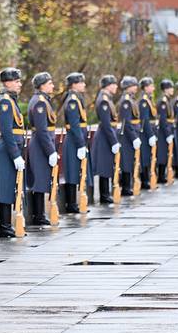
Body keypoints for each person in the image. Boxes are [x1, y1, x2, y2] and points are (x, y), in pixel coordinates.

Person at [0, 67, 25, 237]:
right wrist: (16, 155)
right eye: (17, 81)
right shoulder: (5, 101)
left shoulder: (11, 100)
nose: (20, 84)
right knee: (5, 189)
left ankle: (7, 226)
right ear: (8, 82)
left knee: (11, 188)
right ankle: (4, 227)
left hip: (12, 149)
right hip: (7, 150)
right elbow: (7, 131)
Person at [26, 72, 58, 224]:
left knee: (41, 178)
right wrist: (50, 150)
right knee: (39, 180)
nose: (52, 86)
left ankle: (39, 214)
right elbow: (42, 129)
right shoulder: (39, 102)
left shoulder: (42, 100)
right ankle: (38, 215)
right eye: (50, 83)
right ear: (43, 85)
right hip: (40, 144)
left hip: (42, 143)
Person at [62, 72, 90, 213]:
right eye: (81, 82)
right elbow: (74, 124)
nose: (84, 85)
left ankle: (74, 203)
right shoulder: (73, 100)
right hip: (74, 140)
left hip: (77, 139)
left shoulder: (76, 98)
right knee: (72, 172)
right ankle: (71, 204)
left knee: (78, 171)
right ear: (74, 84)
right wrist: (80, 144)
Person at [91, 74, 120, 204]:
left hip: (107, 134)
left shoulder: (107, 98)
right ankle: (104, 194)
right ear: (108, 86)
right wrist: (114, 141)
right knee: (104, 165)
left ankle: (106, 193)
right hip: (104, 136)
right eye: (114, 84)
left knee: (107, 164)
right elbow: (106, 123)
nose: (116, 87)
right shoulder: (103, 99)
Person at [117, 76, 141, 196]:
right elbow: (127, 122)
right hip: (127, 136)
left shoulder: (131, 99)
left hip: (133, 133)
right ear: (128, 87)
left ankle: (128, 185)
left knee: (131, 160)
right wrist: (134, 137)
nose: (136, 87)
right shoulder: (126, 101)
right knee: (126, 161)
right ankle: (126, 187)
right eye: (133, 85)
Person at [138, 77, 158, 189]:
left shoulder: (149, 99)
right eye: (151, 86)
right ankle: (144, 181)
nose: (153, 88)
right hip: (145, 132)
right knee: (144, 156)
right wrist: (150, 135)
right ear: (146, 87)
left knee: (149, 156)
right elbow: (145, 120)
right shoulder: (143, 101)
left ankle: (148, 179)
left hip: (150, 129)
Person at [156, 79, 175, 183]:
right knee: (162, 153)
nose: (172, 90)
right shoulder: (163, 101)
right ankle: (161, 176)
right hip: (163, 131)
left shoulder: (167, 100)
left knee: (166, 153)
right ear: (166, 89)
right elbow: (163, 119)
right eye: (170, 88)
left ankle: (163, 175)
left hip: (168, 128)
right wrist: (168, 133)